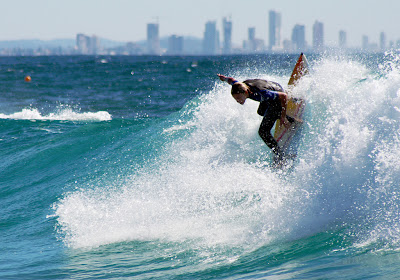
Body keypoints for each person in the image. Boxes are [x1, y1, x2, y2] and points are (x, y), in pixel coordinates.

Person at [217, 74, 294, 160]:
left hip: (276, 95)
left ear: (245, 92)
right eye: (236, 99)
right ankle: (287, 118)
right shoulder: (239, 86)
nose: (238, 101)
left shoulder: (261, 93)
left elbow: (283, 96)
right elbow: (231, 80)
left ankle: (281, 155)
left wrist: (283, 116)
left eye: (238, 98)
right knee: (261, 112)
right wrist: (224, 79)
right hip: (271, 88)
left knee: (263, 132)